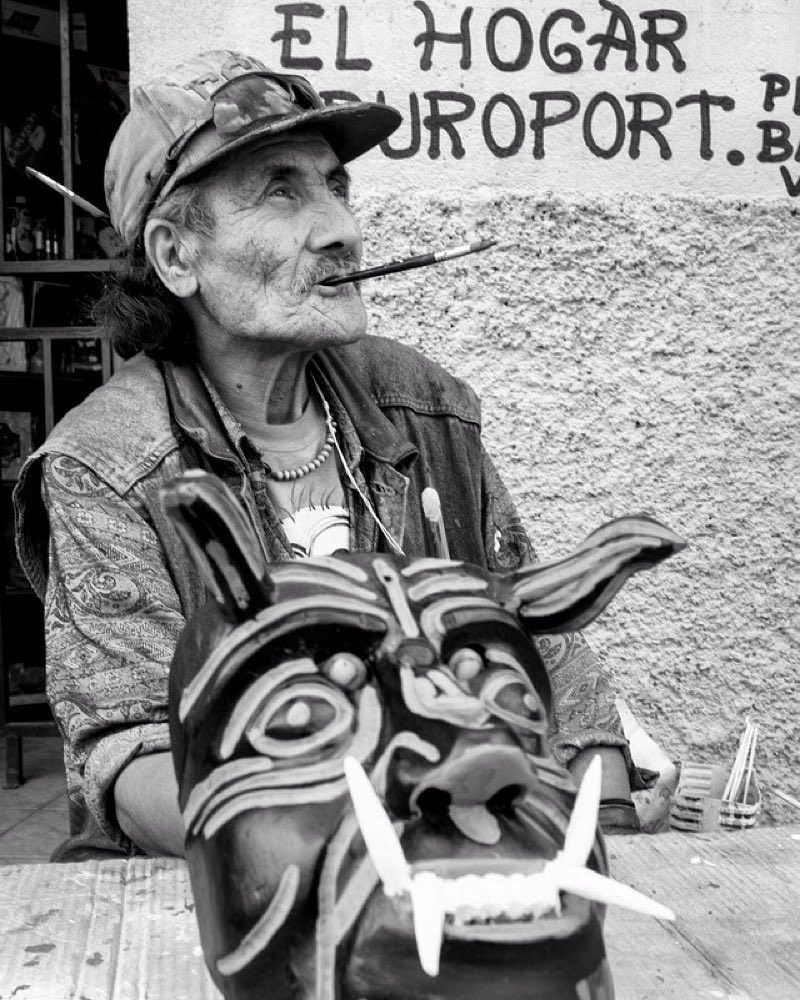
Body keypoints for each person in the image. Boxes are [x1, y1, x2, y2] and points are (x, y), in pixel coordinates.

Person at [14, 51, 642, 861]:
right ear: (176, 256)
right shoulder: (105, 463)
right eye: (282, 189)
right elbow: (130, 759)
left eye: (335, 185)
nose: (342, 228)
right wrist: (382, 838)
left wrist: (604, 823)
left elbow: (548, 657)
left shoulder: (420, 404)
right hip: (228, 900)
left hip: (464, 861)